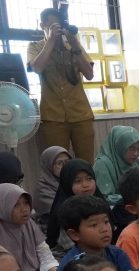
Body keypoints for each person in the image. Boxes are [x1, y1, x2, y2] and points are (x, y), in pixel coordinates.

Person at [27, 8, 96, 163]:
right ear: (42, 25)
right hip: (53, 116)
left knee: (86, 163)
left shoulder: (74, 46)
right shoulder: (35, 46)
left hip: (81, 114)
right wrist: (51, 41)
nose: (58, 31)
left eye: (59, 26)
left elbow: (89, 74)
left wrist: (75, 46)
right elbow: (37, 68)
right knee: (56, 163)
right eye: (53, 26)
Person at [46, 159, 97, 251]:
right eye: (78, 181)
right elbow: (70, 246)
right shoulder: (65, 212)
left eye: (89, 179)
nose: (85, 185)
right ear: (67, 183)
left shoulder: (99, 203)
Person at [33, 146, 71, 227]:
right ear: (49, 166)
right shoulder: (43, 189)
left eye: (67, 162)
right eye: (60, 163)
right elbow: (61, 213)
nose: (65, 166)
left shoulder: (72, 180)